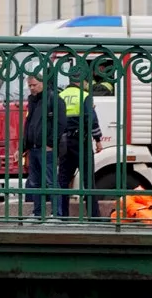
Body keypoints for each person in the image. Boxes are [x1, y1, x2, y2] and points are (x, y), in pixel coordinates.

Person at [58, 76, 104, 219]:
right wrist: (97, 139)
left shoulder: (60, 96)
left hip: (64, 143)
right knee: (88, 180)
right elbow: (91, 119)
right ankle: (93, 215)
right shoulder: (84, 96)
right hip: (81, 142)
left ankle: (62, 215)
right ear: (81, 82)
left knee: (63, 180)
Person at [22, 75, 66, 221]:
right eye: (30, 86)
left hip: (45, 148)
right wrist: (23, 147)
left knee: (51, 181)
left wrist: (50, 144)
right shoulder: (33, 100)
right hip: (34, 148)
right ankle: (38, 213)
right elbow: (28, 125)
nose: (32, 88)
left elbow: (60, 124)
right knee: (35, 182)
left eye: (34, 85)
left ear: (43, 83)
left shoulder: (54, 98)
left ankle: (56, 214)